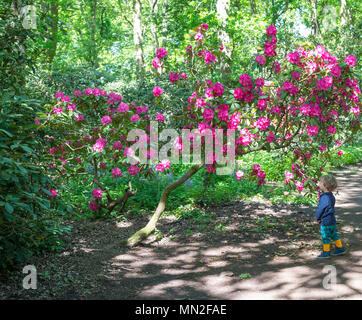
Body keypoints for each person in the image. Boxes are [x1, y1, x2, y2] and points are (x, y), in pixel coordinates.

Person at [315, 174, 345, 258]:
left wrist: (318, 217)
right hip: (332, 220)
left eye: (320, 183)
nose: (318, 184)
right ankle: (340, 248)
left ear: (325, 186)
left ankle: (326, 252)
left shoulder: (324, 197)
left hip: (325, 221)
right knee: (333, 234)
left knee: (325, 236)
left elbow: (321, 209)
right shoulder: (331, 196)